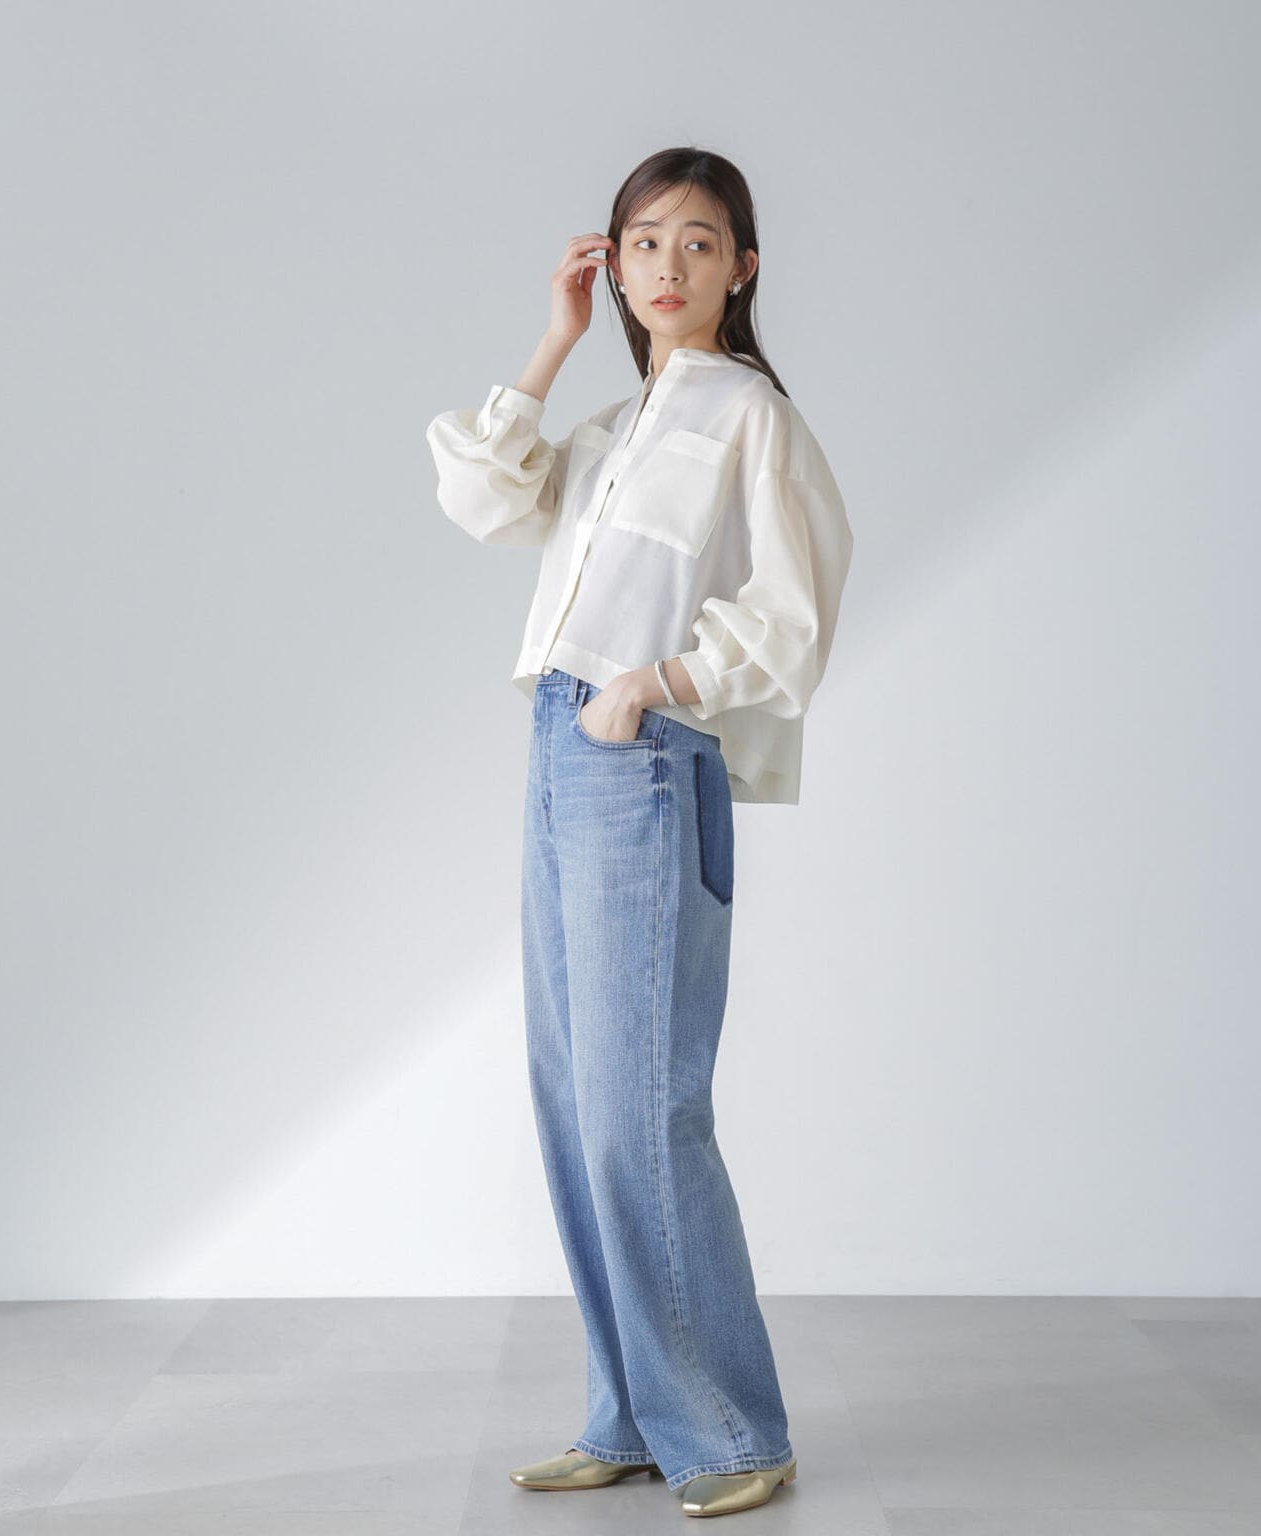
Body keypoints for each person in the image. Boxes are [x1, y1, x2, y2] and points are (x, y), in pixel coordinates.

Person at [425, 146, 853, 1519]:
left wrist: (651, 687)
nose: (669, 265)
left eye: (699, 241)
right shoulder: (616, 431)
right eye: (644, 242)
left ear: (744, 267)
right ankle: (632, 1412)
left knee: (640, 1110)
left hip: (643, 755)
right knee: (573, 1106)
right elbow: (483, 498)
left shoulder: (749, 417)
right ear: (612, 264)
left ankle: (731, 1430)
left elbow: (796, 610)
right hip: (559, 748)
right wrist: (552, 343)